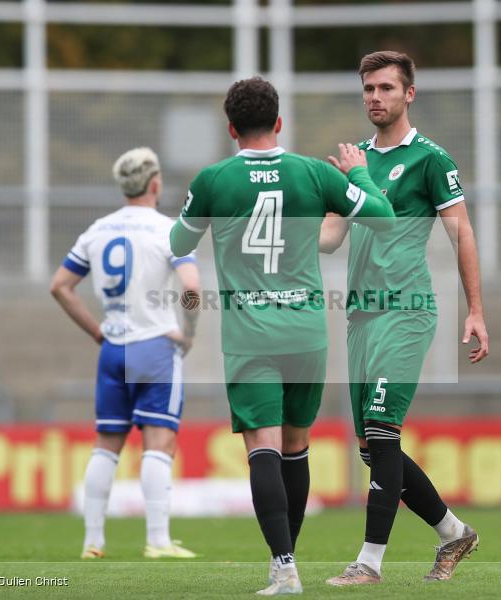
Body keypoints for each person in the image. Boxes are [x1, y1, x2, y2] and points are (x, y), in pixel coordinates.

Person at [169, 76, 394, 595]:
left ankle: (284, 567)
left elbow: (179, 240)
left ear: (230, 128)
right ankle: (286, 566)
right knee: (296, 448)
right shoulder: (313, 173)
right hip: (307, 332)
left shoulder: (214, 179)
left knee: (262, 449)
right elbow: (382, 217)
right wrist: (360, 177)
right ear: (279, 122)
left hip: (251, 334)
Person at [319, 50, 490, 586]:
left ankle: (368, 563)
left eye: (387, 88)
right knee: (373, 450)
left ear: (408, 94)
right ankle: (454, 532)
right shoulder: (353, 162)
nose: (376, 97)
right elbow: (328, 239)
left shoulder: (430, 160)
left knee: (381, 429)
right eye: (369, 88)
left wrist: (477, 310)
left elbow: (460, 233)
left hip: (406, 310)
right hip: (360, 319)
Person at [50, 147, 202, 560]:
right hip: (154, 345)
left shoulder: (96, 230)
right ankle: (157, 540)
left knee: (106, 445)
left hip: (113, 348)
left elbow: (60, 286)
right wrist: (188, 332)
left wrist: (97, 331)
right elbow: (191, 288)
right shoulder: (169, 230)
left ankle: (92, 542)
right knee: (159, 442)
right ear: (155, 184)